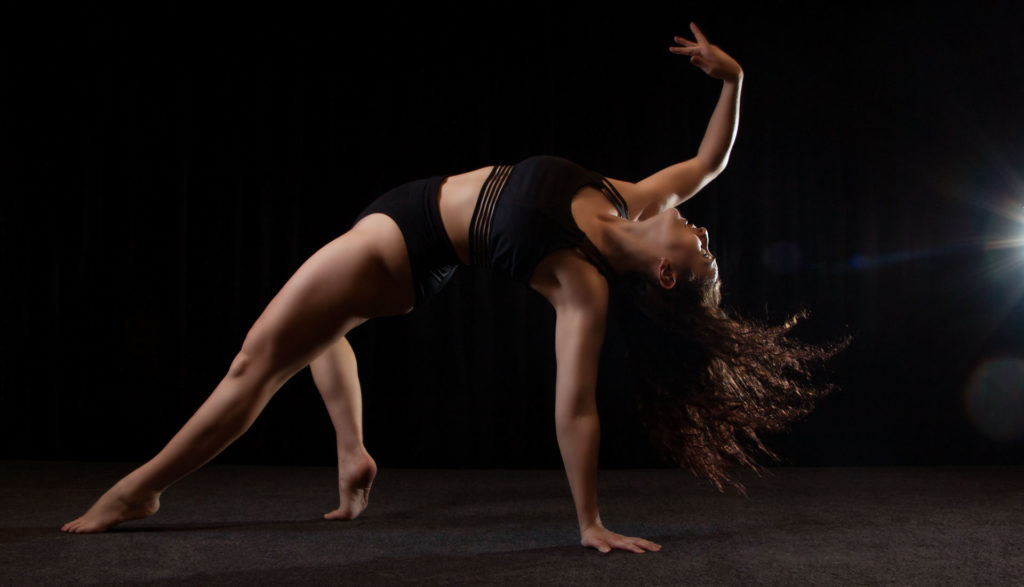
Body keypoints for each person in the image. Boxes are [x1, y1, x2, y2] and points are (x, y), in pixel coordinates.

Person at [61, 23, 849, 555]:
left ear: (668, 271)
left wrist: (590, 522)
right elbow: (712, 161)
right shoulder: (633, 197)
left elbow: (575, 407)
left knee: (255, 363)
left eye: (704, 252)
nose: (704, 230)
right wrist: (734, 79)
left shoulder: (584, 283)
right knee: (317, 333)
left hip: (403, 247)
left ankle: (138, 491)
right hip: (406, 218)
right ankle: (353, 455)